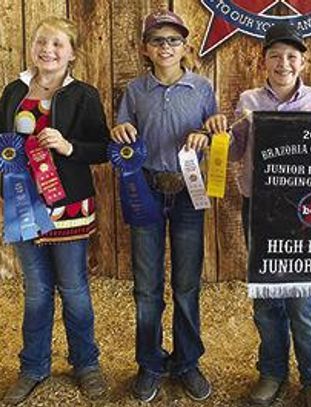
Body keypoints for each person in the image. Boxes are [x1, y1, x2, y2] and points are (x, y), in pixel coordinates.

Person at [205, 23, 311, 407]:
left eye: (292, 56)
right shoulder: (248, 100)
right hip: (259, 209)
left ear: (303, 61)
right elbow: (232, 155)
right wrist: (223, 133)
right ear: (263, 61)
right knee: (267, 298)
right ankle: (272, 372)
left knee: (303, 298)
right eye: (276, 55)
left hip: (304, 213)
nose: (284, 63)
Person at [0, 16, 109, 405]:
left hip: (70, 207)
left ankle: (86, 364)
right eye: (41, 42)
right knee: (36, 291)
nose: (47, 50)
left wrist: (67, 147)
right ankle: (33, 367)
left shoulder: (84, 95)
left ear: (72, 53)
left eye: (57, 44)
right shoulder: (13, 91)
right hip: (24, 207)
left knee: (75, 289)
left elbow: (103, 149)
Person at [111, 9, 217, 403]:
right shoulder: (135, 92)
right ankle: (150, 363)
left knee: (187, 285)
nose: (166, 47)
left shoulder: (203, 88)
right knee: (147, 287)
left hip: (190, 192)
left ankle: (187, 363)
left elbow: (214, 131)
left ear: (185, 46)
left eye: (173, 40)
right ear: (146, 49)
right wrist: (119, 130)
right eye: (158, 40)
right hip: (147, 192)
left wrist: (208, 132)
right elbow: (123, 136)